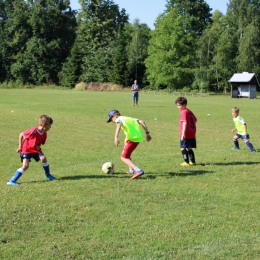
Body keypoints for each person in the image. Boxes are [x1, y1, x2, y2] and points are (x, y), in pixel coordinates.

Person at [7, 115, 56, 186]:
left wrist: (39, 146)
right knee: (25, 166)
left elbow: (39, 143)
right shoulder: (33, 131)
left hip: (35, 150)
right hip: (26, 150)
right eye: (49, 126)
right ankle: (11, 181)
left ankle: (48, 174)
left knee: (43, 158)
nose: (50, 127)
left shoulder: (44, 133)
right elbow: (21, 134)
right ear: (43, 125)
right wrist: (20, 147)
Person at [107, 109, 152, 179]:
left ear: (114, 116)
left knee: (123, 157)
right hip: (137, 138)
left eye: (111, 119)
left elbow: (118, 126)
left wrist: (116, 138)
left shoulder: (118, 119)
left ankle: (138, 170)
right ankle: (131, 170)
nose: (112, 121)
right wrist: (147, 133)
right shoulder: (129, 118)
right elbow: (142, 121)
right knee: (127, 155)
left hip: (132, 139)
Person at [175, 97, 197, 166]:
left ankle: (186, 162)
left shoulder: (183, 112)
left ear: (184, 104)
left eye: (179, 105)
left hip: (186, 133)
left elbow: (184, 122)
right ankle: (193, 162)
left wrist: (183, 134)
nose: (178, 107)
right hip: (192, 132)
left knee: (182, 148)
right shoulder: (189, 111)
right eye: (177, 105)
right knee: (189, 147)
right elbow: (195, 120)